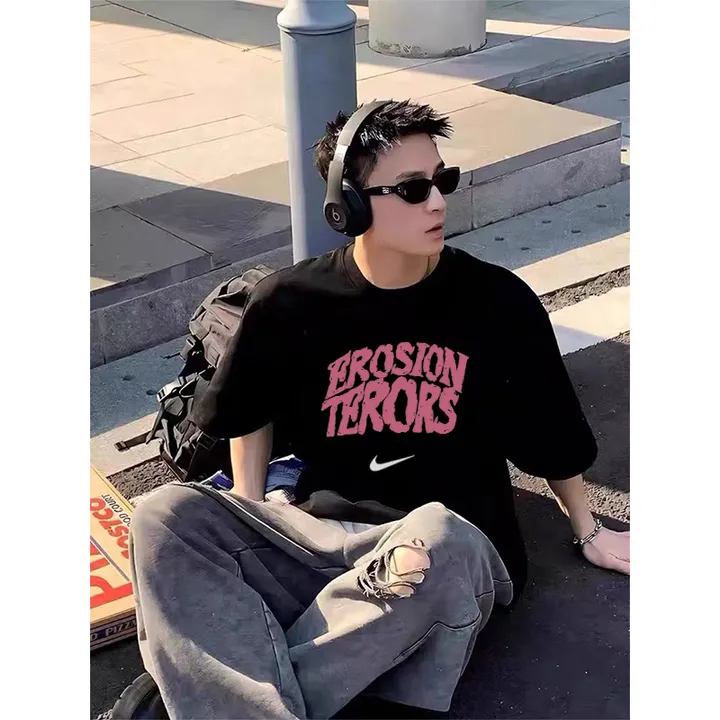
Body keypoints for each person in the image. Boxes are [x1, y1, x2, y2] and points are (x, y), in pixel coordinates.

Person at [128, 100, 630, 720]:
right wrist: (255, 512)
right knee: (163, 514)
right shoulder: (289, 300)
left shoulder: (496, 301)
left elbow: (550, 432)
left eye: (442, 181)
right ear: (350, 205)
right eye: (413, 189)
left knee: (435, 538)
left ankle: (227, 688)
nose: (438, 203)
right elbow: (247, 410)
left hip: (445, 549)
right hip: (323, 537)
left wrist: (589, 530)